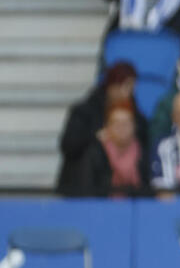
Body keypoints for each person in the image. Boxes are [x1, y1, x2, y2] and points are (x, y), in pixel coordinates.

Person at [56, 63, 150, 195]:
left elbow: (145, 138)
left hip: (129, 193)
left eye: (132, 87)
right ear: (111, 85)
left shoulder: (135, 113)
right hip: (84, 187)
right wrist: (96, 137)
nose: (127, 92)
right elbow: (68, 145)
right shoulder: (85, 111)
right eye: (124, 86)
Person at [59, 103, 152, 198]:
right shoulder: (95, 154)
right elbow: (87, 189)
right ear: (108, 127)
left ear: (134, 127)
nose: (122, 128)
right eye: (117, 123)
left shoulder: (145, 154)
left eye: (126, 123)